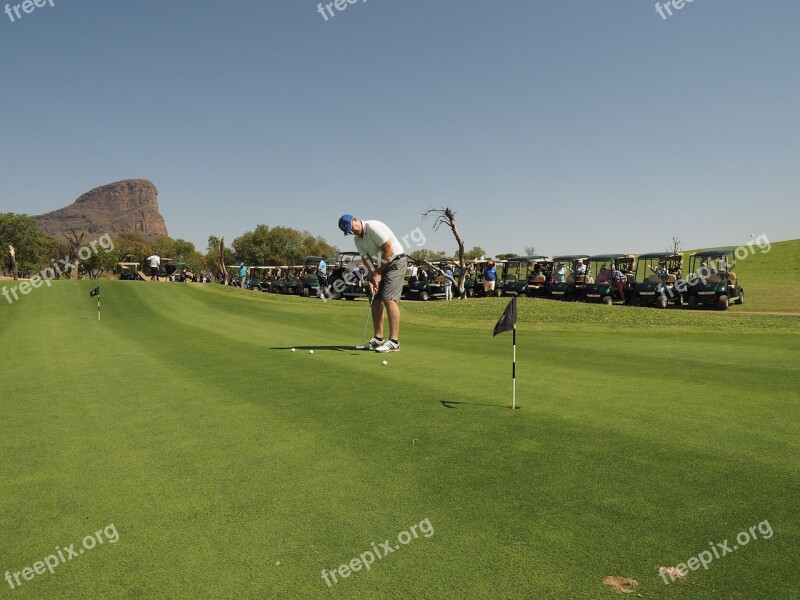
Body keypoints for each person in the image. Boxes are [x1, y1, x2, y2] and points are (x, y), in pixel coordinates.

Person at [339, 214, 407, 353]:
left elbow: (389, 250)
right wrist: (371, 278)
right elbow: (367, 261)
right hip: (382, 264)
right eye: (348, 231)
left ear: (355, 220)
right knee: (374, 297)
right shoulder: (358, 240)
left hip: (396, 261)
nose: (352, 232)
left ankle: (394, 341)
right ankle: (378, 338)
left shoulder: (373, 227)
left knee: (388, 298)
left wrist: (378, 273)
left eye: (351, 228)